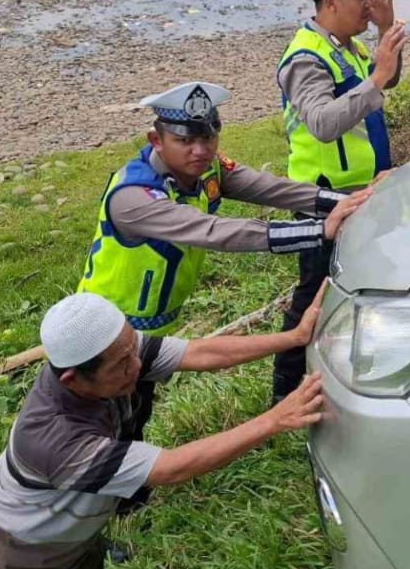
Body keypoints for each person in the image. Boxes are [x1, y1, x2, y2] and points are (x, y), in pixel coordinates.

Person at [76, 80, 371, 474]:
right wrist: (319, 231)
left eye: (209, 136)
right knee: (103, 418)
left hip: (145, 327)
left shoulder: (206, 168)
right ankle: (108, 495)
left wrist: (349, 200)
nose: (200, 150)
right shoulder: (134, 197)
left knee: (135, 407)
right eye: (185, 140)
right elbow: (215, 231)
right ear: (156, 139)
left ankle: (126, 494)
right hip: (105, 326)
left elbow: (268, 188)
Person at [0, 291, 328, 569]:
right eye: (123, 363)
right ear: (72, 379)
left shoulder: (112, 354)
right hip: (10, 555)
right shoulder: (54, 436)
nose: (138, 366)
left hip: (71, 535)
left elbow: (199, 353)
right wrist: (274, 419)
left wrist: (293, 337)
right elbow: (172, 468)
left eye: (134, 349)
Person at [274, 0, 405, 402]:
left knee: (358, 283)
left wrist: (387, 38)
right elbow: (322, 123)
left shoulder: (349, 45)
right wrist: (379, 77)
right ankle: (284, 394)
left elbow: (382, 83)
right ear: (330, 2)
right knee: (314, 294)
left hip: (360, 190)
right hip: (321, 197)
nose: (367, 5)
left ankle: (347, 375)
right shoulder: (306, 57)